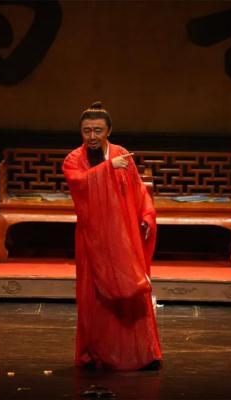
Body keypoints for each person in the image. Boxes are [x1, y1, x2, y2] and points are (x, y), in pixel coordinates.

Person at [62, 101, 162, 370]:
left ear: (109, 131)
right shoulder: (74, 159)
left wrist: (146, 214)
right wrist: (108, 168)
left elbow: (138, 189)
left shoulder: (121, 154)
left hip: (123, 234)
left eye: (97, 130)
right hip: (92, 237)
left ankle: (142, 352)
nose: (92, 136)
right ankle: (97, 352)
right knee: (95, 296)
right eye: (86, 131)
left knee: (131, 289)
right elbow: (79, 183)